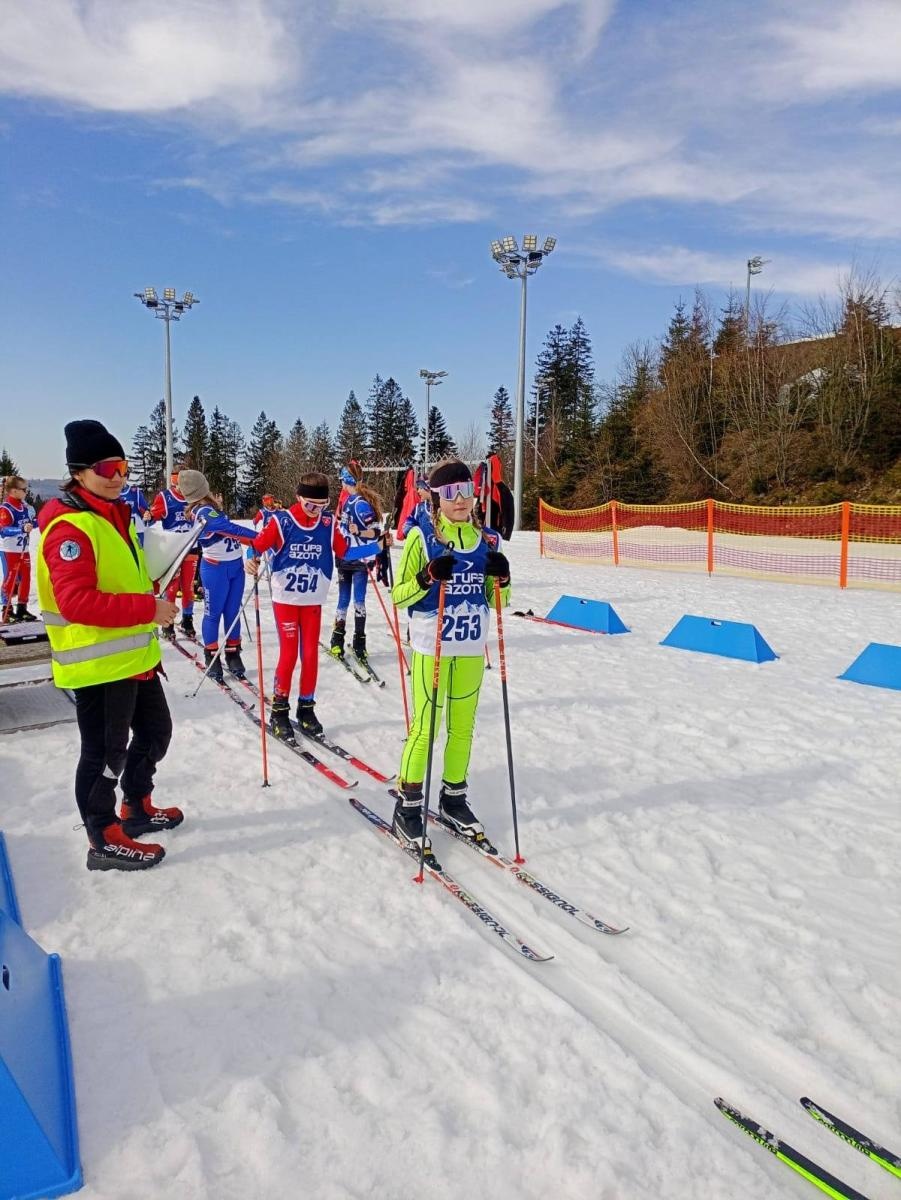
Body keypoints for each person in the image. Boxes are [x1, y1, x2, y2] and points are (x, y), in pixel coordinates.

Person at [36, 420, 181, 872]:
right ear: (79, 472)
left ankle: (136, 806)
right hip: (98, 664)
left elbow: (118, 577)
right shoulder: (70, 528)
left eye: (123, 466)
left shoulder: (112, 513)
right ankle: (102, 837)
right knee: (103, 755)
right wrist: (146, 608)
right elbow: (75, 601)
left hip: (133, 656)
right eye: (107, 467)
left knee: (156, 733)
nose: (118, 475)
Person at [390, 459, 510, 853]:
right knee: (426, 727)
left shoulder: (487, 540)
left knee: (462, 729)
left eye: (465, 491)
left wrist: (503, 578)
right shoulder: (421, 538)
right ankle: (407, 807)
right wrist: (426, 577)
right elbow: (399, 595)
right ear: (436, 498)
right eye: (449, 493)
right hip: (432, 647)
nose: (459, 500)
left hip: (471, 648)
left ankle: (453, 798)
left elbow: (501, 601)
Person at [246, 473, 342, 742]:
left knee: (310, 655)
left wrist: (375, 545)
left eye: (322, 505)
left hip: (312, 601)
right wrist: (249, 558)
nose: (315, 512)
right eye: (310, 505)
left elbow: (345, 551)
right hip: (286, 601)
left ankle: (306, 709)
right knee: (289, 654)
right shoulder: (282, 521)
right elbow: (256, 546)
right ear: (298, 498)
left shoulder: (327, 522)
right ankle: (279, 711)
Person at [179, 470, 256, 682]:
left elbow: (230, 533)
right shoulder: (203, 512)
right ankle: (211, 654)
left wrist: (253, 546)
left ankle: (233, 653)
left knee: (233, 612)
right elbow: (227, 528)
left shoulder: (211, 508)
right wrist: (259, 538)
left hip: (234, 567)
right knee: (214, 613)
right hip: (215, 569)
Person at [329, 463, 383, 667]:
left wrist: (359, 532)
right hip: (345, 559)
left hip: (359, 560)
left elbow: (375, 531)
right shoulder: (347, 500)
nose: (340, 482)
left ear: (346, 480)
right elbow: (342, 528)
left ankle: (359, 643)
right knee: (343, 600)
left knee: (358, 600)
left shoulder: (360, 503)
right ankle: (337, 640)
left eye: (342, 479)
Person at [149, 468, 199, 640]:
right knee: (171, 588)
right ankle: (168, 622)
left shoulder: (194, 496)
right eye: (178, 484)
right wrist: (148, 515)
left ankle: (187, 620)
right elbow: (153, 516)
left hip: (191, 548)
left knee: (188, 588)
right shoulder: (164, 497)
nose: (181, 488)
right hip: (173, 550)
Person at [0, 475, 38, 621]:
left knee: (25, 578)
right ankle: (7, 610)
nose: (26, 492)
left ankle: (22, 608)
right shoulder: (6, 508)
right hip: (9, 550)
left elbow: (32, 523)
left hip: (23, 549)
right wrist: (21, 529)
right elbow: (3, 530)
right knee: (10, 579)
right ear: (14, 491)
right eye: (23, 489)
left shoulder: (25, 507)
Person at [119, 479, 152, 547]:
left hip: (137, 531)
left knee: (139, 552)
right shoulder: (109, 494)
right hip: (119, 533)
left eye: (123, 475)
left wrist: (147, 514)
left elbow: (146, 509)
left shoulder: (134, 492)